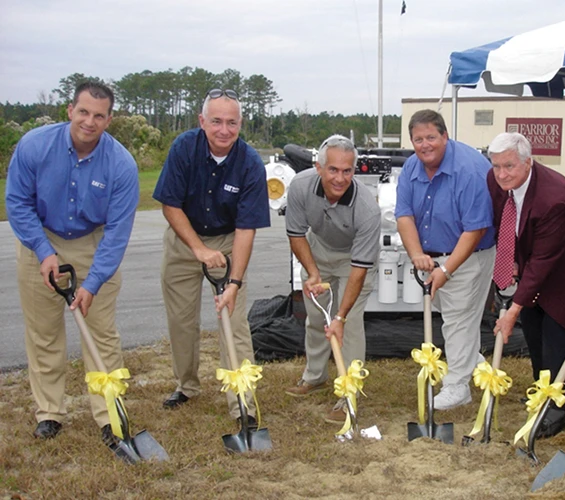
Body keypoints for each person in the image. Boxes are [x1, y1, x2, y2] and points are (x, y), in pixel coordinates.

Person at [6, 81, 139, 447]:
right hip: (40, 240)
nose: (89, 122)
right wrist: (43, 252)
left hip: (92, 243)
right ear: (70, 110)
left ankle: (109, 415)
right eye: (83, 112)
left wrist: (92, 283)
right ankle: (50, 412)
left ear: (109, 120)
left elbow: (117, 233)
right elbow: (17, 202)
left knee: (101, 335)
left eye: (99, 115)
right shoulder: (35, 146)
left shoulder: (121, 165)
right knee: (44, 334)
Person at [153, 88, 270, 428]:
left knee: (234, 324)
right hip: (184, 237)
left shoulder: (250, 163)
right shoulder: (183, 149)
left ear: (240, 123)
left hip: (229, 240)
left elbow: (247, 229)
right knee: (181, 320)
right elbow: (170, 205)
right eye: (216, 121)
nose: (223, 130)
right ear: (202, 121)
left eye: (231, 123)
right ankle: (186, 385)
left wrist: (234, 281)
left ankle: (242, 404)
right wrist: (198, 250)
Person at [488, 132, 565, 437]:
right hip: (536, 257)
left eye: (509, 166)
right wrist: (510, 259)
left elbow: (545, 261)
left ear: (528, 162)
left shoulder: (553, 198)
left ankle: (556, 410)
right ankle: (541, 391)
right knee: (534, 330)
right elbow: (504, 220)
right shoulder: (496, 180)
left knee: (556, 335)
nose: (501, 174)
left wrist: (512, 310)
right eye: (496, 166)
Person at [394, 109, 496, 410]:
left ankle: (457, 387)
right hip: (430, 258)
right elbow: (404, 215)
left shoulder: (470, 170)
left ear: (445, 136)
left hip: (468, 256)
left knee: (458, 320)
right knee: (454, 319)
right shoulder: (412, 168)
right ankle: (470, 359)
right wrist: (416, 255)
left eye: (431, 137)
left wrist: (447, 269)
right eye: (418, 139)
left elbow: (475, 229)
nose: (425, 145)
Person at [283, 135, 380, 423]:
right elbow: (296, 235)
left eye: (347, 171)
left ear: (354, 169)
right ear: (319, 167)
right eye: (333, 170)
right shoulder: (300, 186)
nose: (340, 178)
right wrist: (312, 272)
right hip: (318, 251)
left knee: (348, 326)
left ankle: (348, 394)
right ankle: (315, 376)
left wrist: (340, 316)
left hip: (354, 260)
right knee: (315, 319)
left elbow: (359, 270)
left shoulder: (367, 209)